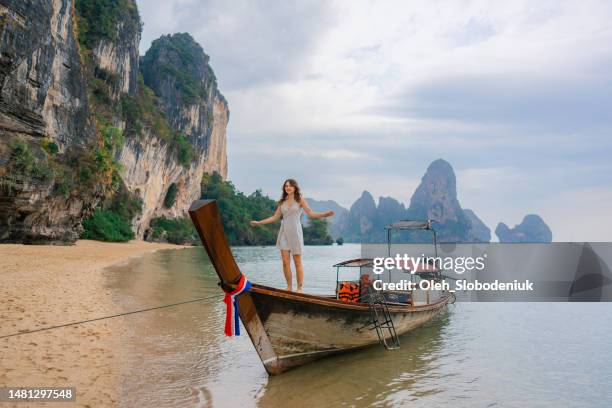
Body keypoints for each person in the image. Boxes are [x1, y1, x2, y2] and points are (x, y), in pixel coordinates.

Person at [250, 179, 334, 292]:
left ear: (295, 187)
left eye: (290, 186)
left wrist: (325, 214)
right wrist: (259, 222)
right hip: (284, 233)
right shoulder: (282, 202)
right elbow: (274, 218)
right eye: (286, 186)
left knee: (297, 262)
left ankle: (299, 288)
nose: (288, 187)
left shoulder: (300, 200)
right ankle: (289, 287)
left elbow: (311, 213)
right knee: (285, 262)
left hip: (295, 233)